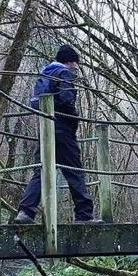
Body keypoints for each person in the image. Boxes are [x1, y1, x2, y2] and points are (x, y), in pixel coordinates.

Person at [14, 44, 98, 224]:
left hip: (45, 128)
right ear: (69, 61)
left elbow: (36, 102)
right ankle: (84, 215)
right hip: (62, 129)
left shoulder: (45, 73)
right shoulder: (64, 73)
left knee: (41, 171)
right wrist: (73, 118)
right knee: (74, 171)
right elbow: (67, 100)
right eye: (75, 63)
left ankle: (25, 212)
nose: (76, 67)